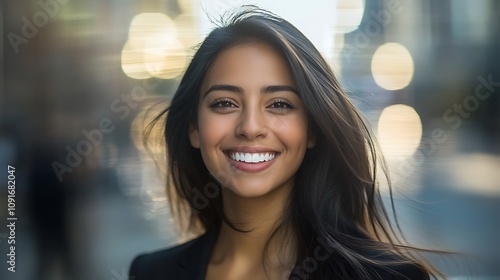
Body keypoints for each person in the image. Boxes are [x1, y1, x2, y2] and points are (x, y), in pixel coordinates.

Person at [130, 7, 442, 280]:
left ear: (312, 131)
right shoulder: (150, 273)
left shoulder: (386, 277)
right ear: (194, 129)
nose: (251, 127)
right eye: (225, 103)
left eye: (279, 104)